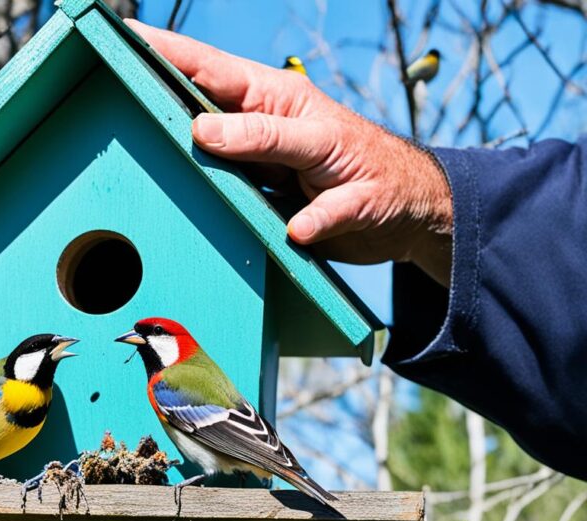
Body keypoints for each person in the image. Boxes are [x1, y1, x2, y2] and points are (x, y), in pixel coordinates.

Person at [126, 21, 587, 481]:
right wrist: (430, 207)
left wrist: (432, 201)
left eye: (148, 333)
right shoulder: (184, 376)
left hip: (228, 454)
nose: (138, 339)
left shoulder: (169, 383)